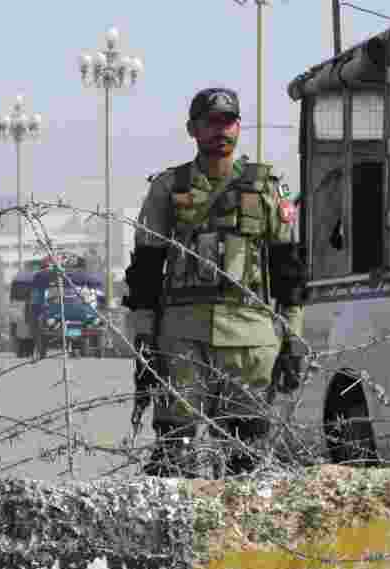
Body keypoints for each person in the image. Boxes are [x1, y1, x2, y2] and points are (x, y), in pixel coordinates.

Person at [124, 87, 307, 477]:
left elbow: (289, 269)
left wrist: (293, 338)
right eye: (210, 123)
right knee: (177, 451)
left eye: (228, 122)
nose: (220, 130)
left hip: (250, 339)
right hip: (181, 338)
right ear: (193, 129)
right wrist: (143, 337)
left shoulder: (268, 188)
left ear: (239, 127)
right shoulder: (168, 188)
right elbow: (145, 268)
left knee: (246, 453)